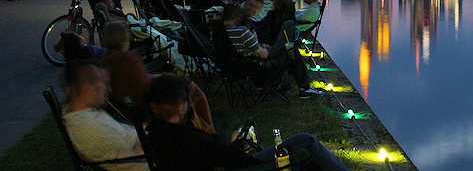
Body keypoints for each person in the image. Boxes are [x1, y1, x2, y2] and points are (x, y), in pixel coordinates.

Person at [145, 74, 350, 171]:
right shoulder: (183, 138)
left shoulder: (157, 132)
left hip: (233, 164)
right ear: (181, 105)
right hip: (249, 169)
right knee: (306, 142)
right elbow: (229, 155)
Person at [99, 21, 214, 133]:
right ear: (124, 39)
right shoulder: (128, 60)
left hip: (130, 109)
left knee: (183, 84)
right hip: (147, 108)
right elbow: (144, 89)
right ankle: (207, 128)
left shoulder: (104, 62)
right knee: (190, 88)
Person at [221, 0, 323, 100]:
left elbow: (244, 48)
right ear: (237, 17)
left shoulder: (218, 33)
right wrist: (264, 49)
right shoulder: (241, 31)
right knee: (289, 30)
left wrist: (260, 46)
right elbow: (264, 55)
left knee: (290, 47)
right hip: (261, 66)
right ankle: (305, 87)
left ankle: (304, 87)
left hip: (238, 66)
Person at [61, 60, 147, 171]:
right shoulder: (89, 129)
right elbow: (134, 165)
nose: (109, 90)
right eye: (103, 83)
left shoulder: (88, 115)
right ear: (88, 89)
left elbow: (128, 137)